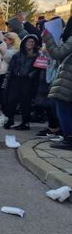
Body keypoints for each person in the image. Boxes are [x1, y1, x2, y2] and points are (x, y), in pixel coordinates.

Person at [42, 17, 72, 150]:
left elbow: (57, 53)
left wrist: (48, 38)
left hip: (68, 78)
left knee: (62, 107)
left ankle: (69, 139)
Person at [3, 35, 41, 130]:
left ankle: (25, 122)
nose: (30, 43)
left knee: (26, 103)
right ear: (24, 43)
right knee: (11, 101)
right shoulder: (17, 55)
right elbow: (10, 69)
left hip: (29, 81)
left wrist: (30, 75)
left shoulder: (38, 56)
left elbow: (39, 69)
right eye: (28, 41)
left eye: (32, 42)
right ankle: (10, 119)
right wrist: (7, 81)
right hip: (16, 80)